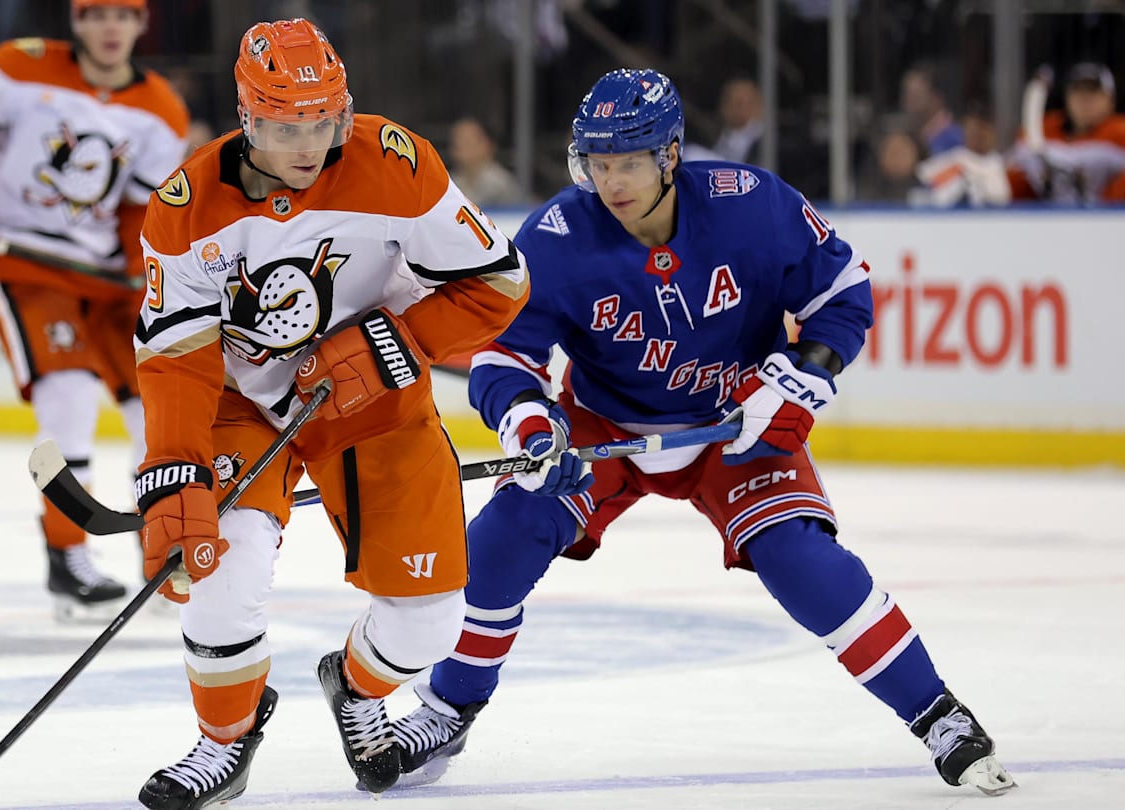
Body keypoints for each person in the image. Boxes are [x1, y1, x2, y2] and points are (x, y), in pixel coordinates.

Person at [392, 68, 1018, 798]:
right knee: (504, 533)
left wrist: (795, 379)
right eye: (597, 163)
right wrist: (533, 423)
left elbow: (843, 292)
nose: (611, 181)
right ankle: (449, 706)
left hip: (734, 424)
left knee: (799, 557)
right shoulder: (560, 234)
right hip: (603, 426)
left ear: (670, 154)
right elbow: (505, 353)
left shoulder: (750, 206)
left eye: (628, 161)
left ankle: (937, 712)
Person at [129, 17, 527, 810]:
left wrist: (398, 341)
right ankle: (224, 740)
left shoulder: (396, 166)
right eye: (284, 126)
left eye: (324, 121)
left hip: (375, 402)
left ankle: (355, 686)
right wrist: (173, 469)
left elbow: (500, 284)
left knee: (430, 623)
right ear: (247, 118)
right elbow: (176, 356)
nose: (309, 144)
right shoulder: (185, 206)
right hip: (243, 405)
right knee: (220, 571)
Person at [0, 0, 191, 621]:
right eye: (96, 15)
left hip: (105, 279)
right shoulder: (22, 68)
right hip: (25, 264)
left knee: (158, 405)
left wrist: (139, 262)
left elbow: (143, 206)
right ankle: (66, 554)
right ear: (77, 23)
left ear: (142, 24)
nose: (110, 28)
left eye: (124, 15)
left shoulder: (161, 109)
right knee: (66, 394)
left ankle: (163, 548)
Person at [1007, 61, 1125, 204]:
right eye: (1078, 91)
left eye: (1093, 92)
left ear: (1110, 100)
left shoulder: (1119, 133)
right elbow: (1013, 183)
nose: (1084, 99)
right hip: (1047, 220)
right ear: (1067, 98)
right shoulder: (1041, 129)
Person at [447, 116, 530, 207]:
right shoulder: (451, 181)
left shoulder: (499, 183)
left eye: (467, 142)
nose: (460, 146)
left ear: (488, 144)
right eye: (456, 141)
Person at [900, 61, 965, 157]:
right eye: (906, 93)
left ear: (937, 97)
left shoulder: (953, 139)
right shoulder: (912, 136)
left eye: (916, 95)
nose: (908, 102)